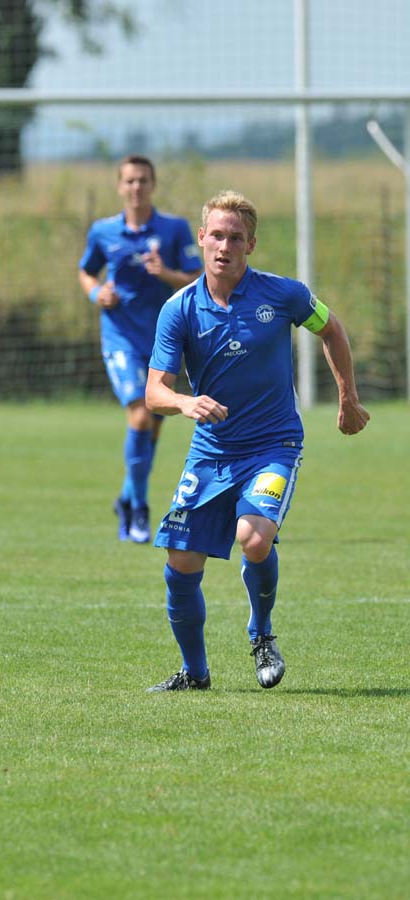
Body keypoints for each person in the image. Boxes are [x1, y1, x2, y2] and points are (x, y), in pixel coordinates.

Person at [145, 189, 370, 691]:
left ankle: (261, 634)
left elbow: (332, 330)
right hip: (211, 453)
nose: (224, 246)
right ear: (201, 239)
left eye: (236, 238)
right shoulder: (179, 310)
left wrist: (348, 398)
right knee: (180, 561)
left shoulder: (284, 295)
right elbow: (154, 391)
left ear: (251, 245)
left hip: (274, 447)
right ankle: (194, 673)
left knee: (253, 536)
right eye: (217, 236)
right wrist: (184, 402)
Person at [79, 155, 202, 543]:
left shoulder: (173, 229)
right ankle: (139, 508)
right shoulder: (103, 231)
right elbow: (86, 272)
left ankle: (126, 498)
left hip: (163, 340)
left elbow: (198, 277)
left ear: (153, 185)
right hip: (120, 337)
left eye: (143, 180)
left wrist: (166, 274)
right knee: (140, 415)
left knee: (153, 427)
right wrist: (97, 293)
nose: (137, 187)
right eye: (130, 181)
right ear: (120, 186)